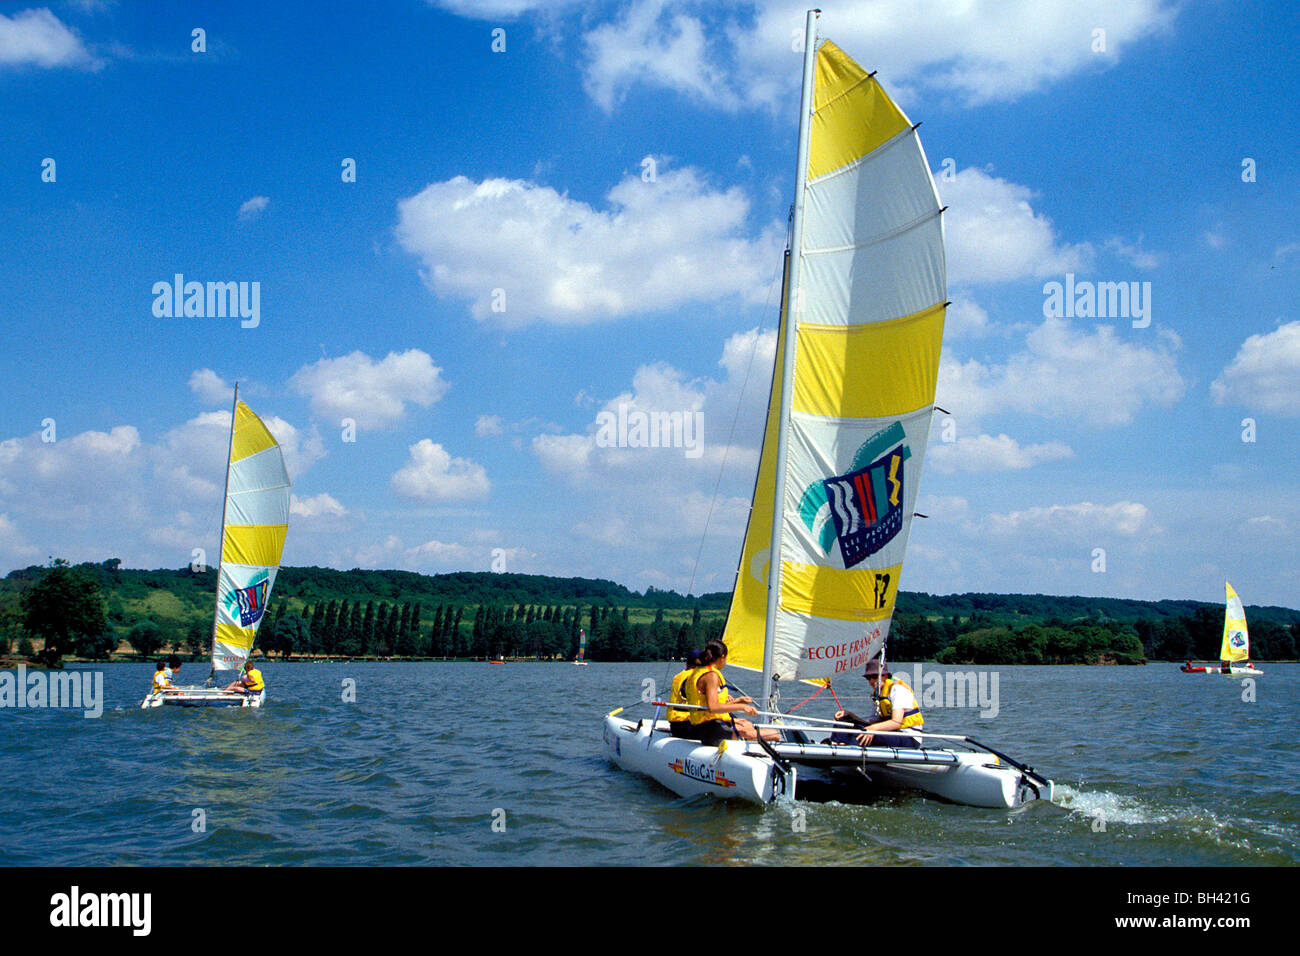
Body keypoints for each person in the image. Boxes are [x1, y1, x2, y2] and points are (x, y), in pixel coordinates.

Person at [687, 641, 779, 746]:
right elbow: (712, 708)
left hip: (704, 726)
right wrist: (742, 707)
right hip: (711, 731)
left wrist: (737, 702)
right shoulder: (711, 676)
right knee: (774, 733)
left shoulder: (698, 672)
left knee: (747, 724)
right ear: (722, 657)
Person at [833, 658, 922, 748]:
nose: (871, 681)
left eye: (875, 676)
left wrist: (873, 729)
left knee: (863, 735)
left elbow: (896, 722)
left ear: (885, 676)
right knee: (844, 720)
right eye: (868, 678)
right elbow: (872, 724)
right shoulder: (878, 694)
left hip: (907, 737)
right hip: (888, 733)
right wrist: (851, 715)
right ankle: (834, 743)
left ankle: (844, 747)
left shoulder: (897, 690)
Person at [666, 649, 704, 737]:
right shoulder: (697, 677)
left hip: (675, 725)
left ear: (687, 664)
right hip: (688, 726)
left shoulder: (678, 676)